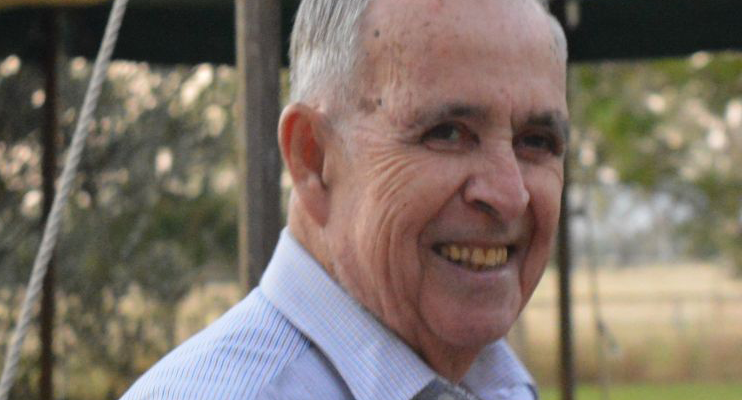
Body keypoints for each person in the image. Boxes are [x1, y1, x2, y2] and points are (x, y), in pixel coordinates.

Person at [120, 0, 569, 398]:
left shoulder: (497, 385)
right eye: (448, 134)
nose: (510, 195)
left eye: (537, 141)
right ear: (313, 159)